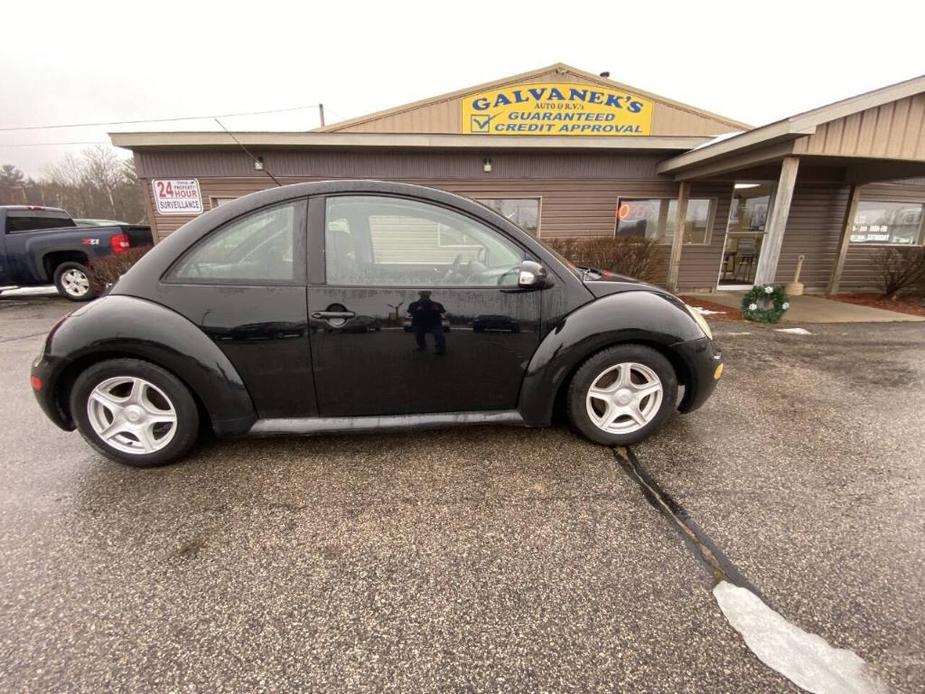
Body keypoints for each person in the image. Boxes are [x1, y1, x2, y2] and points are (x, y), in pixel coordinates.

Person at [407, 290, 446, 354]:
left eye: (427, 293)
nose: (425, 295)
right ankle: (422, 347)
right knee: (418, 335)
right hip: (419, 323)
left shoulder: (436, 304)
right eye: (423, 293)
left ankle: (440, 350)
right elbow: (410, 312)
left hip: (434, 323)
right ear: (420, 294)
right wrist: (416, 310)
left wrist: (437, 309)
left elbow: (442, 311)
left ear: (429, 294)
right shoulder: (414, 304)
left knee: (439, 335)